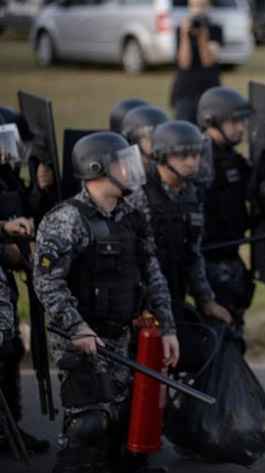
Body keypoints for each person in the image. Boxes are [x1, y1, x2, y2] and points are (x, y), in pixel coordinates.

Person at [33, 131, 179, 473]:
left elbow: (153, 275)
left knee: (126, 426)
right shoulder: (66, 219)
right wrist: (77, 329)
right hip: (81, 342)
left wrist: (168, 329)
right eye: (122, 164)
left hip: (122, 339)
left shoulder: (131, 216)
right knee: (89, 428)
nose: (131, 170)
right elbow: (46, 282)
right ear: (97, 169)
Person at [197, 86, 265, 327]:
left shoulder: (234, 160)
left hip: (229, 258)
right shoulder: (199, 161)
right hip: (206, 261)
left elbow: (258, 203)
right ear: (212, 121)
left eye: (242, 121)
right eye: (234, 122)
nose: (241, 128)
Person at [128, 120, 231, 331]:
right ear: (162, 156)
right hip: (140, 304)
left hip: (174, 295)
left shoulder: (191, 195)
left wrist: (205, 300)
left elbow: (193, 253)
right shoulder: (139, 194)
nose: (192, 162)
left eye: (196, 155)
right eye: (183, 155)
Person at [0, 113, 51, 455]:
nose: (8, 153)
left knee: (11, 348)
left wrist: (40, 188)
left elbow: (21, 210)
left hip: (5, 281)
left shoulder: (6, 177)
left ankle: (9, 429)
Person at [171, 0, 223, 124]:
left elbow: (208, 61)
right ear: (189, 7)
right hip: (185, 91)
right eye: (194, 6)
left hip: (209, 89)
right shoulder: (181, 30)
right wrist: (185, 35)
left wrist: (202, 38)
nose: (198, 10)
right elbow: (184, 63)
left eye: (202, 6)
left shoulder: (215, 29)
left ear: (209, 7)